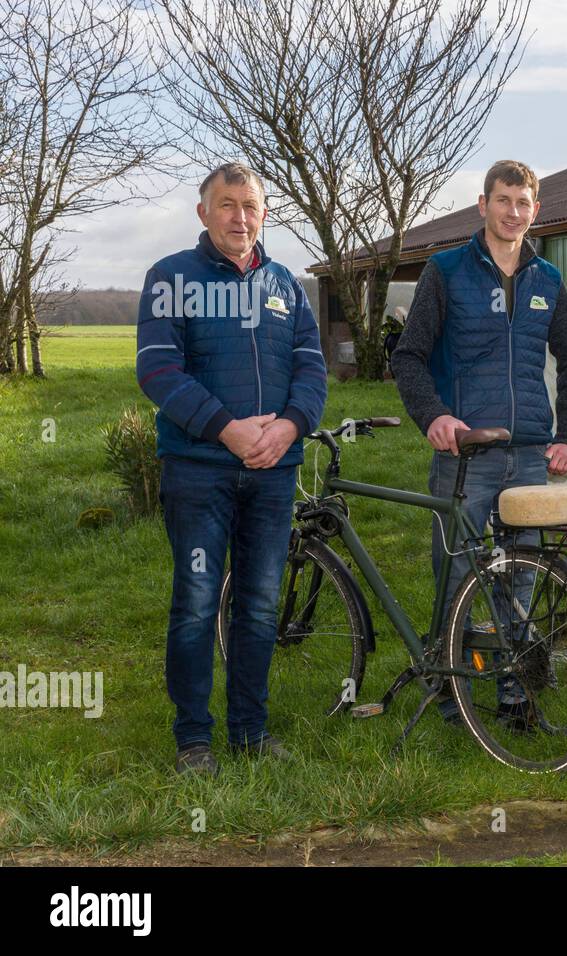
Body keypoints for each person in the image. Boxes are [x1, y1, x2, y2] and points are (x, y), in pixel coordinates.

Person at [136, 162, 328, 776]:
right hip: (198, 471)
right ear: (204, 213)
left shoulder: (287, 287)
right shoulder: (171, 277)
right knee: (195, 601)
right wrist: (229, 428)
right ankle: (194, 739)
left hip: (273, 471)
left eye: (250, 205)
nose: (239, 216)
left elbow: (312, 370)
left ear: (264, 213)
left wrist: (290, 426)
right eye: (226, 205)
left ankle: (250, 730)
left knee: (260, 604)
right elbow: (159, 371)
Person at [390, 159, 567, 724]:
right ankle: (454, 696)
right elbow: (408, 357)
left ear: (535, 210)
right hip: (465, 456)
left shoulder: (547, 280)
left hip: (527, 452)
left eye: (523, 202)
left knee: (520, 574)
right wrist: (434, 417)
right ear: (483, 205)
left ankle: (515, 698)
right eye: (502, 201)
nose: (513, 212)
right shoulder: (446, 271)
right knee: (457, 574)